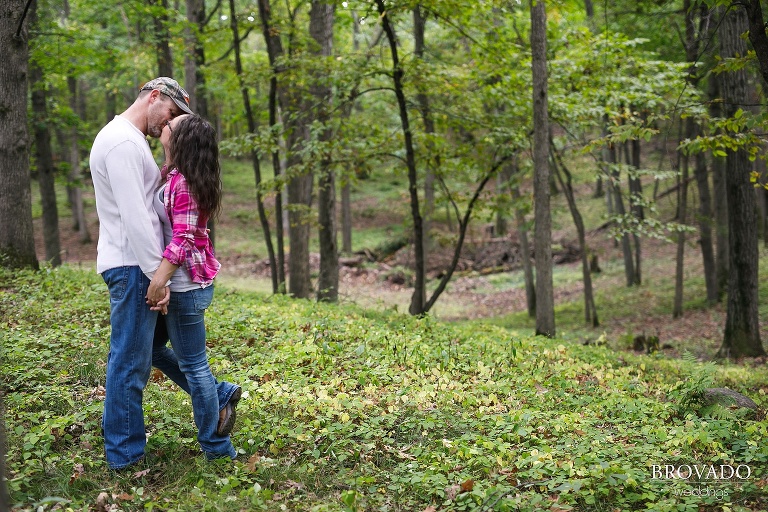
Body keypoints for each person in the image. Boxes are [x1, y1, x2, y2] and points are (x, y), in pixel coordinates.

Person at [90, 77, 192, 470]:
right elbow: (136, 218)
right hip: (134, 267)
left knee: (143, 353)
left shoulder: (131, 141)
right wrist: (157, 276)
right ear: (153, 98)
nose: (170, 124)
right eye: (170, 112)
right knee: (129, 366)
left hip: (138, 266)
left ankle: (215, 395)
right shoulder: (121, 142)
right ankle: (125, 459)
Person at [145, 113, 240, 461]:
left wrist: (160, 280)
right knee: (153, 350)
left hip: (185, 286)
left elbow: (183, 239)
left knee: (194, 365)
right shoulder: (173, 174)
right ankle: (220, 394)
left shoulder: (184, 182)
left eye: (170, 125)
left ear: (181, 139)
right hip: (181, 283)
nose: (163, 127)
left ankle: (217, 448)